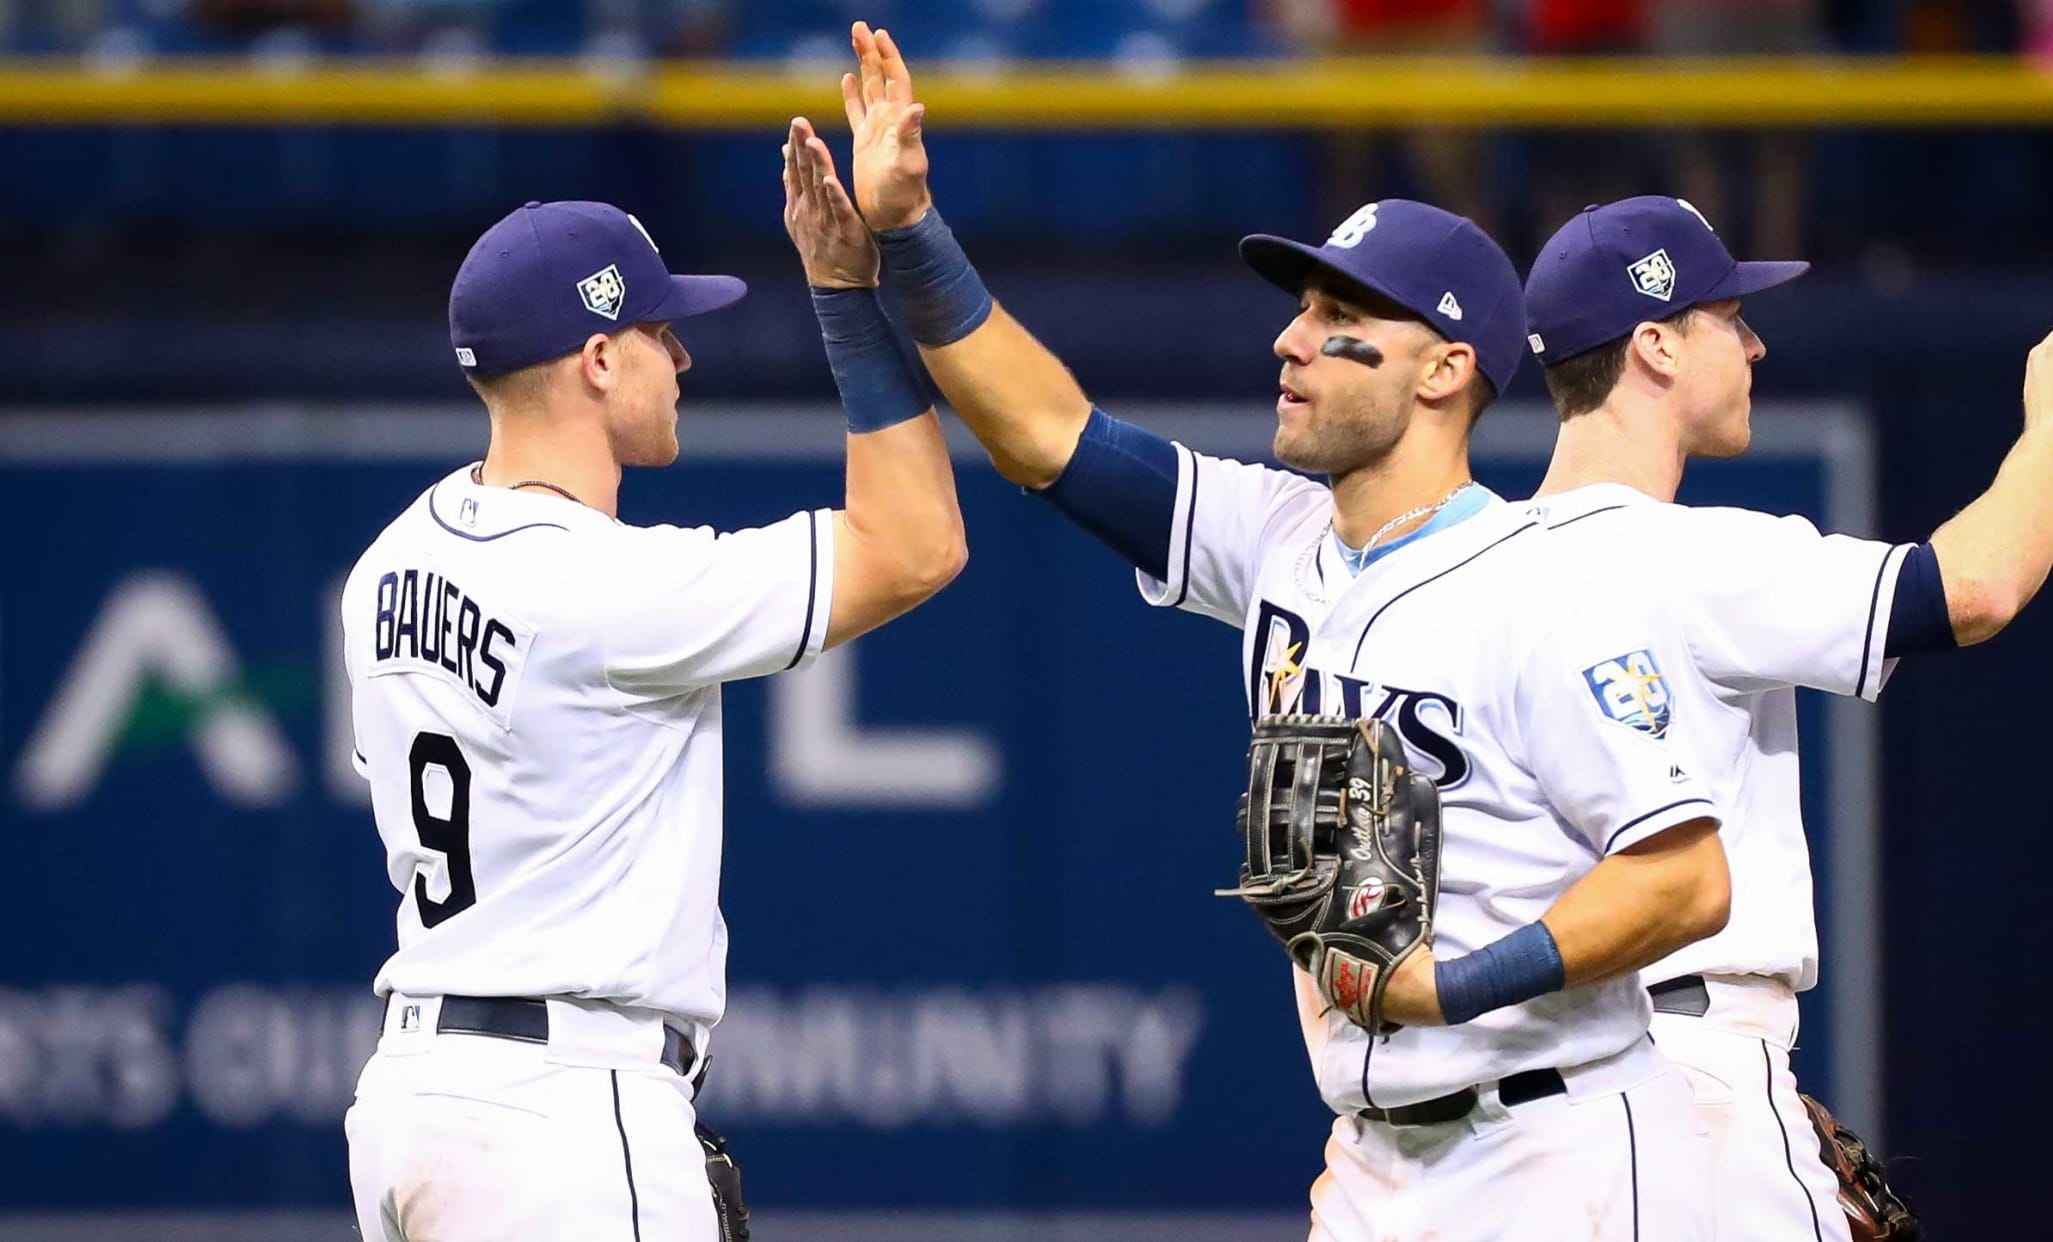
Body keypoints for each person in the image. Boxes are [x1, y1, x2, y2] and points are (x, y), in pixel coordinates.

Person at [823, 22, 1729, 1239]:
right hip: (1375, 1160)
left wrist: (1454, 985)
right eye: (1299, 308)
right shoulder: (1280, 538)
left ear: (1445, 369)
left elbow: (1685, 877)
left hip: (1558, 1148)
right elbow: (1046, 435)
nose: (1289, 343)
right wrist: (908, 232)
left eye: (1338, 316)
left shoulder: (1546, 590)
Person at [340, 141, 966, 1241]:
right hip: (564, 1110)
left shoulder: (389, 566)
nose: (678, 354)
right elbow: (917, 546)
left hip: (409, 1102)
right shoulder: (611, 585)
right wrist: (844, 295)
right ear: (595, 361)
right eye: (657, 330)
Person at [1521, 195, 2053, 1242]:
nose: (1755, 342)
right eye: (1729, 316)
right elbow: (1974, 588)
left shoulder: (1469, 574)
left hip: (1539, 1104)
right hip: (1693, 1077)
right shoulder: (1693, 558)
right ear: (1655, 343)